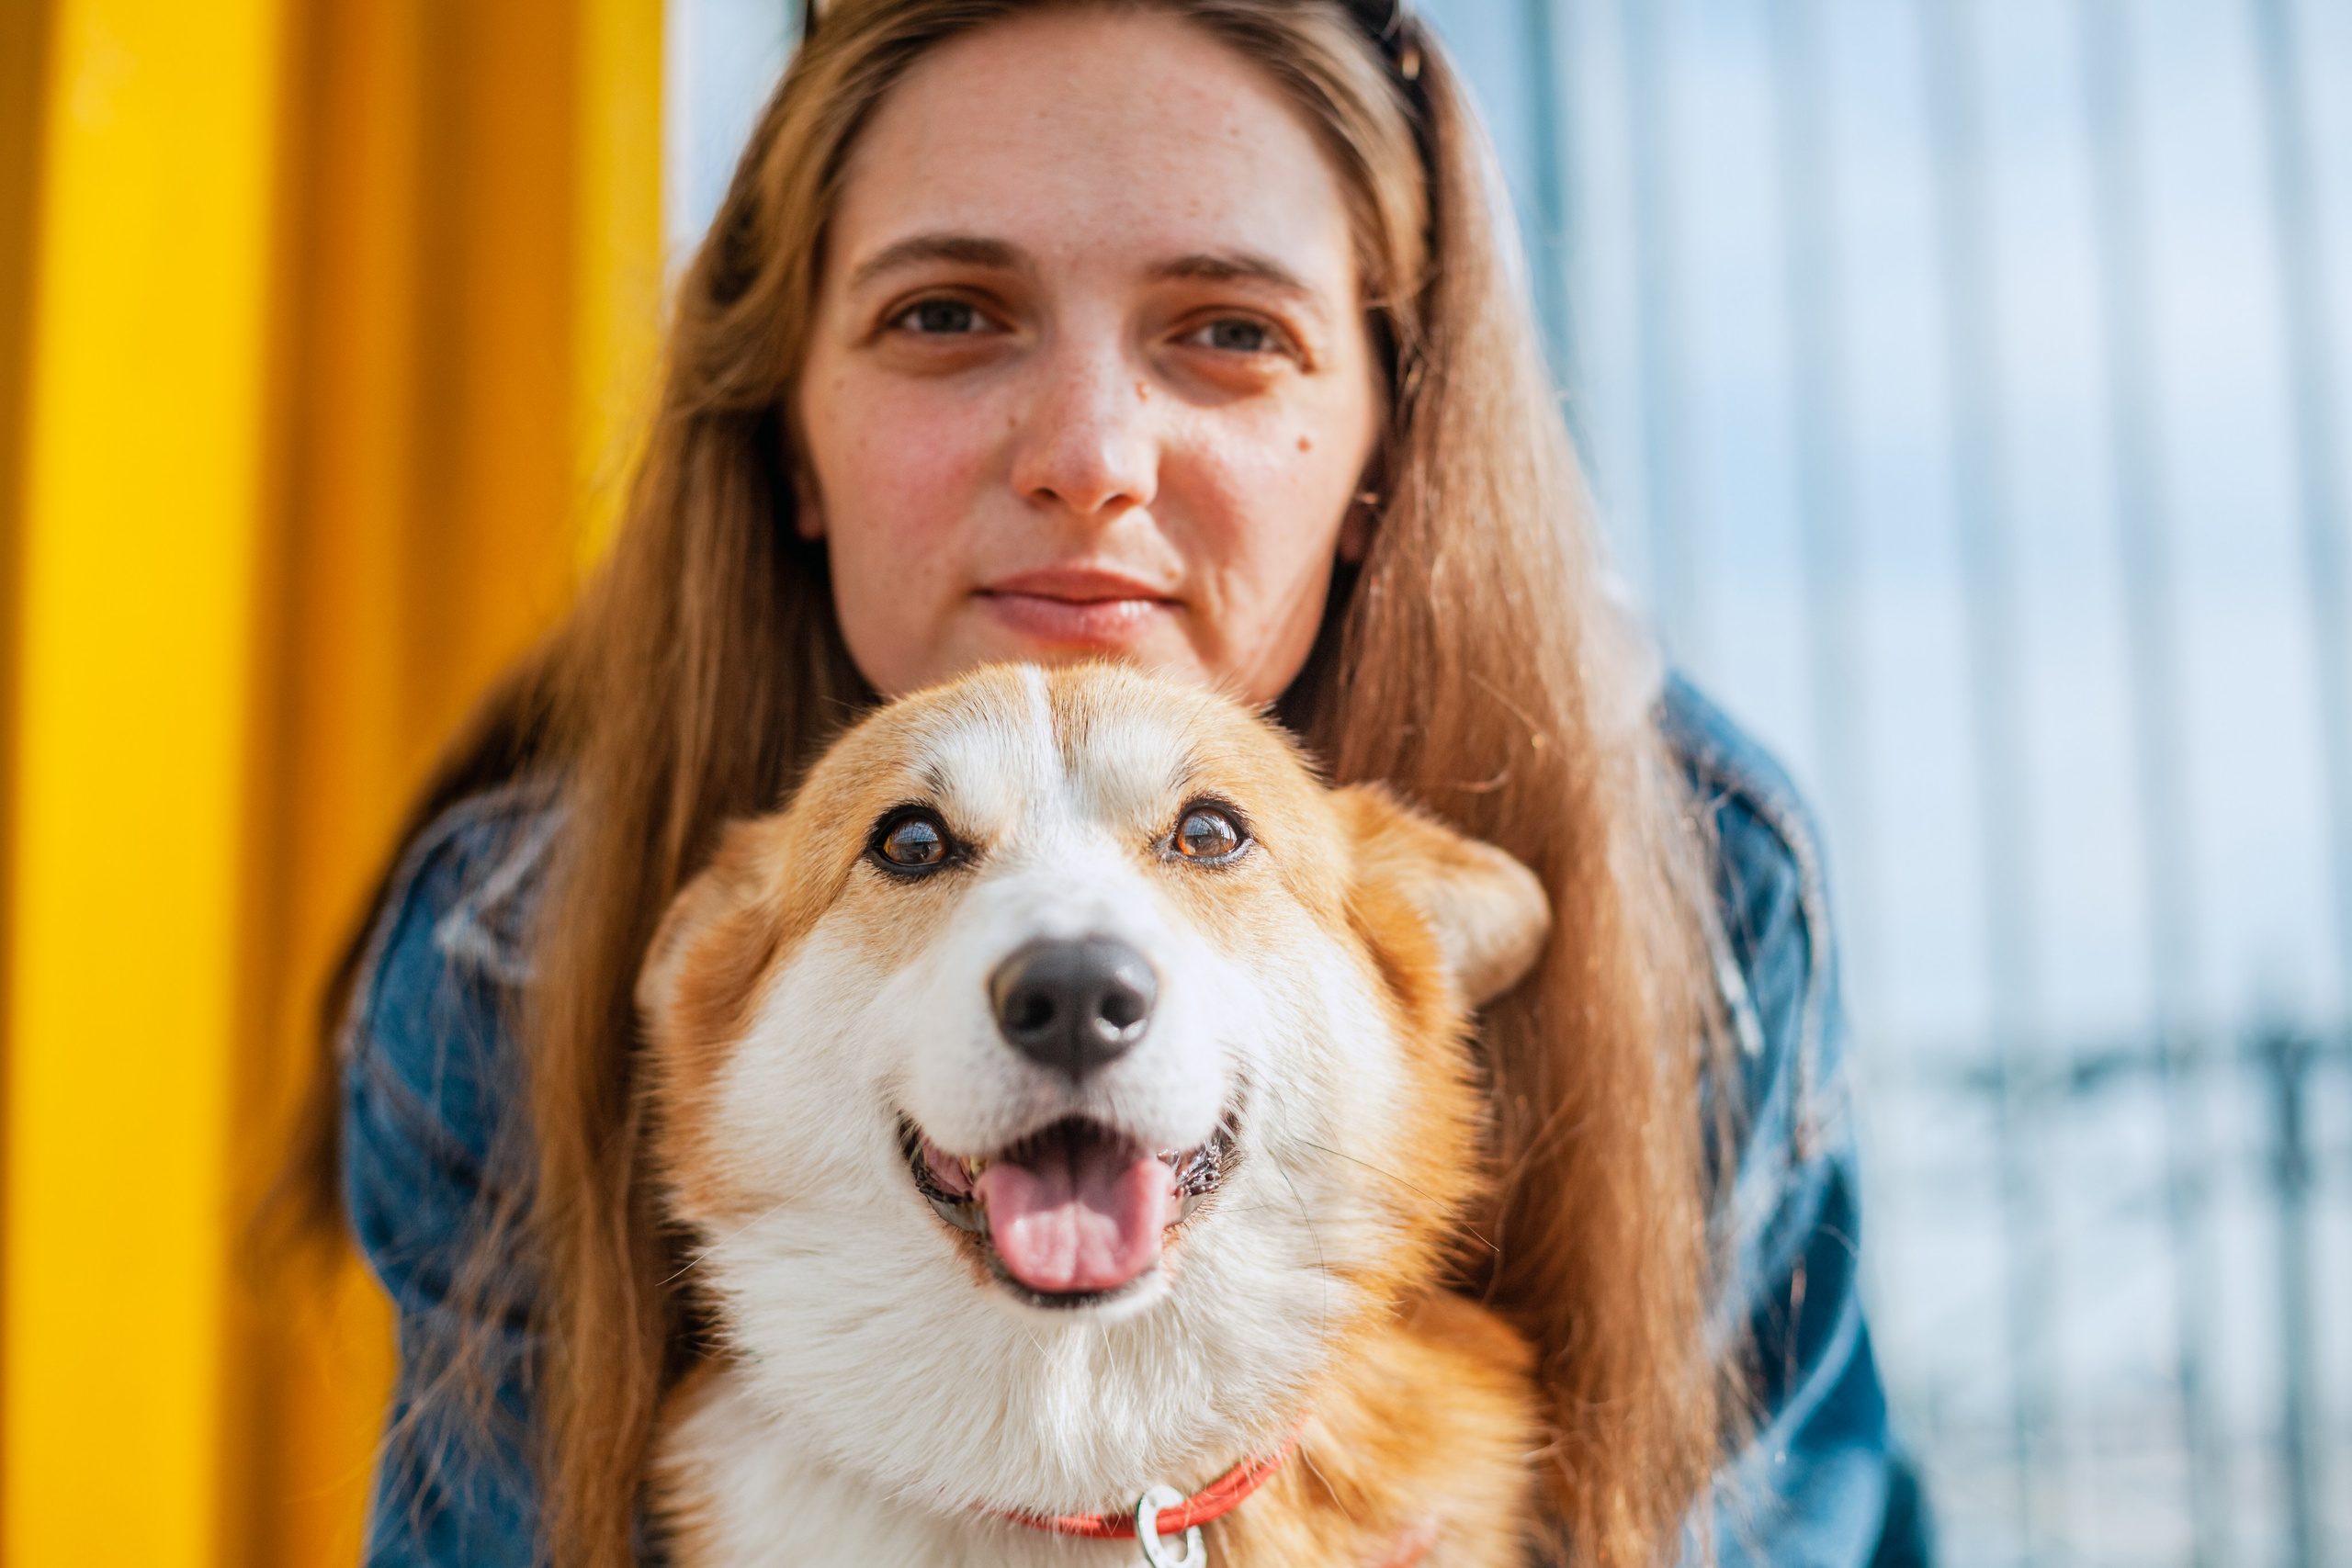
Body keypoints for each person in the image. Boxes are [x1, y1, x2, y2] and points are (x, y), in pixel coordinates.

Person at [302, 1, 1932, 1563]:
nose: (1090, 452)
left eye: (1229, 332)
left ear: (1387, 449)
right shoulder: (513, 954)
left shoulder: (1693, 885)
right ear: (789, 428)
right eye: (947, 314)